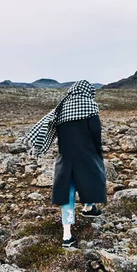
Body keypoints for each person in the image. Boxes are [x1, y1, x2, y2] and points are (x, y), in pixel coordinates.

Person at [25, 80, 107, 248]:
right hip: (86, 155)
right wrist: (98, 154)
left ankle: (67, 236)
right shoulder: (90, 107)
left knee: (67, 194)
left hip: (65, 157)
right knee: (92, 180)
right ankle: (88, 207)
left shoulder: (62, 110)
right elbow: (96, 134)